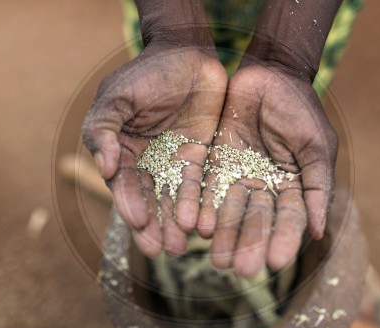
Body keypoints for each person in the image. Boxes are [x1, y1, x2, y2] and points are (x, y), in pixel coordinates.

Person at [82, 0, 363, 278]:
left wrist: (287, 59)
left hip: (305, 17)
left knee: (284, 111)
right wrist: (175, 34)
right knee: (173, 98)